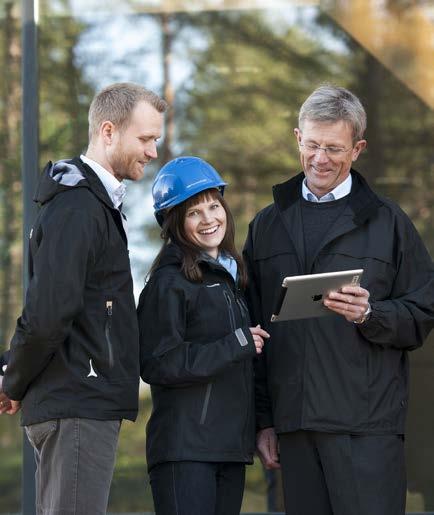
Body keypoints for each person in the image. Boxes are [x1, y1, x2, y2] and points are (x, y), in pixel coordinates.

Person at [243, 85, 434, 515]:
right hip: (294, 429)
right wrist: (265, 421)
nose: (320, 158)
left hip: (366, 428)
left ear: (358, 148)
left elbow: (423, 313)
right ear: (297, 138)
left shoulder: (389, 223)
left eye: (333, 148)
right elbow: (254, 331)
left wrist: (371, 313)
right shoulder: (267, 225)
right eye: (311, 145)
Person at [0, 82, 167, 515]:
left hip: (77, 401)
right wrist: (13, 379)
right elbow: (48, 313)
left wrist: (16, 375)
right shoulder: (79, 207)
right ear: (108, 131)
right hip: (77, 403)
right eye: (146, 139)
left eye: (156, 141)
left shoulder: (91, 205)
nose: (152, 153)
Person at [137, 156, 270, 515]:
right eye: (194, 212)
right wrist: (235, 344)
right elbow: (158, 363)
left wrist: (261, 426)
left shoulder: (231, 280)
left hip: (229, 449)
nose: (209, 218)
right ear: (174, 223)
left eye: (214, 206)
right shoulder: (168, 283)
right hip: (185, 452)